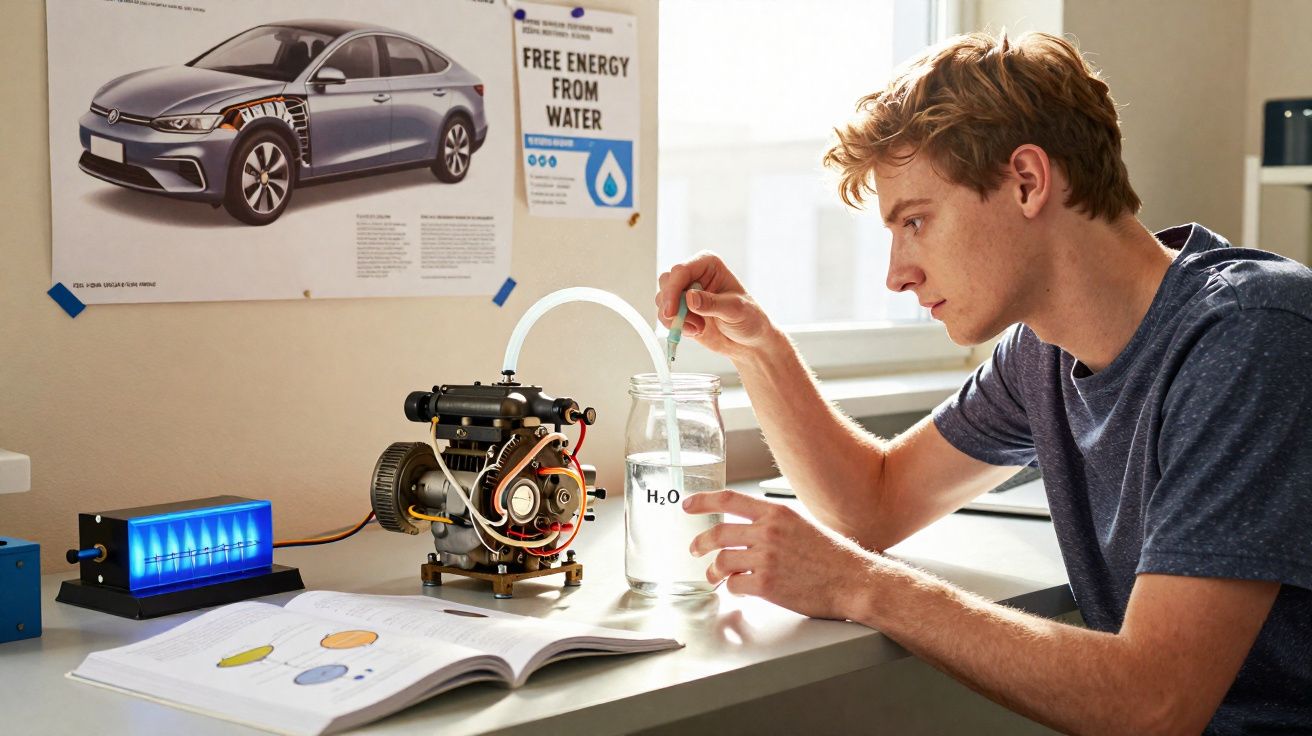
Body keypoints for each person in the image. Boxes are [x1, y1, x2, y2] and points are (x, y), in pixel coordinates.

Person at [655, 31, 1312, 735]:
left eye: (915, 221)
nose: (895, 273)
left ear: (1027, 180)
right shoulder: (1041, 355)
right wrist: (760, 350)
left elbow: (1153, 703)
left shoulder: (1252, 333)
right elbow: (874, 503)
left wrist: (858, 585)